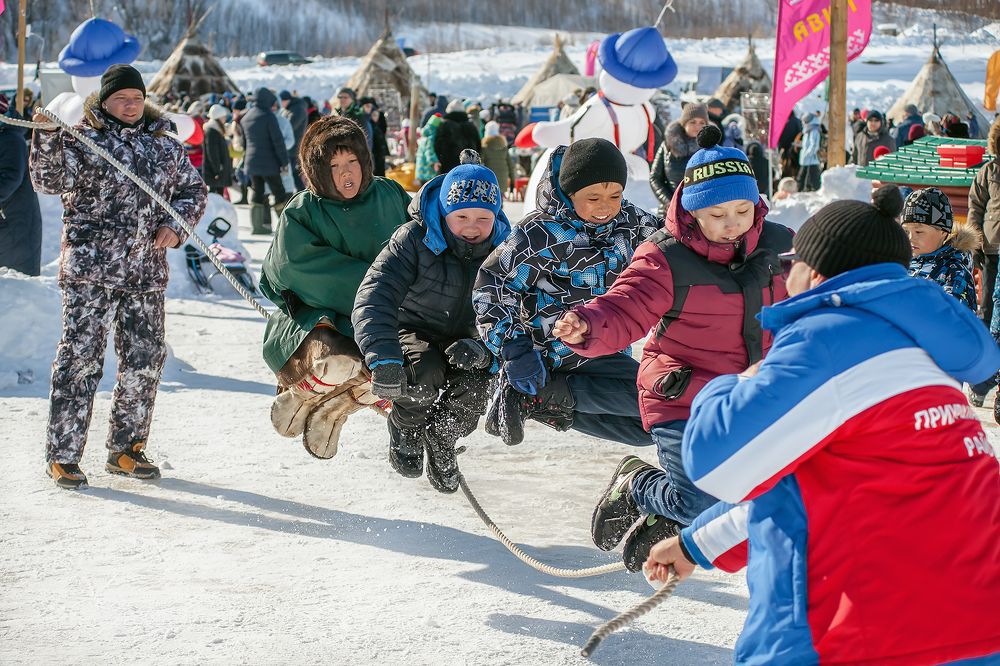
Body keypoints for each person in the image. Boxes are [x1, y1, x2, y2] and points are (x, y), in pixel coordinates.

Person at [643, 188, 1000, 666]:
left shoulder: (828, 339)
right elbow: (823, 488)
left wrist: (730, 384)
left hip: (859, 636)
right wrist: (696, 544)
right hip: (977, 631)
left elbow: (718, 463)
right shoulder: (925, 359)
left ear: (812, 273)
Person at [553, 126, 793, 571]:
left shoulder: (781, 248)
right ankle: (638, 484)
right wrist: (588, 324)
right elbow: (627, 304)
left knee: (759, 501)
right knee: (702, 504)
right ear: (692, 210)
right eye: (718, 213)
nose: (733, 223)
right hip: (681, 396)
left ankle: (667, 514)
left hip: (753, 398)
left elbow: (821, 295)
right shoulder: (667, 256)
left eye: (743, 210)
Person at [29, 64, 207, 489]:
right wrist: (48, 137)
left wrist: (175, 225)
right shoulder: (84, 140)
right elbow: (47, 180)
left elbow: (193, 190)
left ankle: (126, 448)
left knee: (145, 361)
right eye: (121, 99)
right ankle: (64, 454)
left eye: (137, 98)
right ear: (104, 102)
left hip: (145, 272)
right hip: (91, 271)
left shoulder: (164, 147)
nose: (130, 105)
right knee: (80, 359)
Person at [473, 138, 660, 449]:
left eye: (615, 195)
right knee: (652, 404)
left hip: (603, 347)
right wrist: (515, 349)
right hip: (549, 355)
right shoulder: (539, 233)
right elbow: (492, 286)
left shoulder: (632, 224)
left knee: (650, 428)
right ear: (569, 193)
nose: (605, 207)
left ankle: (540, 401)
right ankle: (536, 389)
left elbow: (671, 250)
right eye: (593, 197)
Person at [353, 152, 511, 493]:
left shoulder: (507, 250)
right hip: (413, 329)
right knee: (422, 376)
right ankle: (405, 426)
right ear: (444, 212)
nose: (472, 226)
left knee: (474, 392)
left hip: (471, 340)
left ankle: (442, 439)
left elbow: (521, 315)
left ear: (496, 216)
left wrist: (487, 351)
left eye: (483, 217)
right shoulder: (414, 238)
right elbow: (374, 296)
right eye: (462, 216)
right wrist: (384, 358)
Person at [260, 116, 410, 459]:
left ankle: (337, 410)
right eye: (334, 165)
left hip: (386, 317)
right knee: (340, 360)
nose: (346, 174)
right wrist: (379, 288)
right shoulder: (303, 210)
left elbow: (416, 244)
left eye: (352, 162)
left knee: (399, 367)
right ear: (317, 170)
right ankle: (300, 396)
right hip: (321, 321)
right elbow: (290, 268)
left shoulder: (388, 194)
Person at [967, 116, 1000, 413]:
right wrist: (975, 239)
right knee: (988, 310)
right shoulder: (988, 171)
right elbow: (976, 206)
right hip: (992, 250)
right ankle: (982, 379)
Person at [902, 188, 978, 311]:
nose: (911, 237)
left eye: (919, 231)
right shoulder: (902, 264)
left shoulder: (954, 272)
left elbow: (955, 318)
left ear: (943, 231)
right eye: (906, 231)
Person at [0, 93, 43, 276]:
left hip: (15, 222)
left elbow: (10, 177)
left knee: (17, 285)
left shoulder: (10, 139)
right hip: (8, 222)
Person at [241, 87, 289, 234]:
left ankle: (257, 226)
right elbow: (278, 141)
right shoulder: (268, 116)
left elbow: (244, 143)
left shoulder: (246, 117)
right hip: (269, 163)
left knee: (257, 191)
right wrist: (284, 162)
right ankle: (286, 227)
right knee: (279, 192)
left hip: (252, 162)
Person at [650, 103, 708, 213]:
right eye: (693, 122)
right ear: (684, 123)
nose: (698, 126)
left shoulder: (711, 149)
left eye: (702, 123)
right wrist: (669, 202)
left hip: (702, 213)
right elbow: (655, 177)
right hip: (670, 211)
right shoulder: (668, 145)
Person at [434, 99, 481, 174]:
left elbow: (438, 145)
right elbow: (478, 145)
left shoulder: (445, 125)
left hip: (449, 166)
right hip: (470, 166)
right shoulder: (471, 126)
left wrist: (441, 160)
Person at [278, 90, 308, 190]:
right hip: (290, 146)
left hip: (294, 146)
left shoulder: (297, 109)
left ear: (286, 100)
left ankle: (302, 193)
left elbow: (290, 127)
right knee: (289, 172)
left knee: (292, 172)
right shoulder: (289, 109)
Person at [202, 103, 233, 197]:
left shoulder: (216, 130)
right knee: (215, 197)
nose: (224, 119)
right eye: (223, 117)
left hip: (218, 170)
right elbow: (212, 153)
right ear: (218, 117)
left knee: (218, 195)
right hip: (216, 172)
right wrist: (217, 170)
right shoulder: (212, 131)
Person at [480, 121, 513, 194]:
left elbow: (480, 164)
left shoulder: (484, 147)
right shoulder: (504, 147)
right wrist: (512, 182)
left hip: (490, 179)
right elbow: (511, 165)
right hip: (503, 178)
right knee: (500, 200)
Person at [797, 112, 822, 193]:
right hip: (807, 159)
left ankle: (803, 189)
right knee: (807, 176)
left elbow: (814, 144)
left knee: (811, 177)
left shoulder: (813, 130)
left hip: (811, 159)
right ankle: (802, 189)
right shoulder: (809, 130)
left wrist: (808, 154)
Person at [415, 114, 443, 186]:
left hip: (421, 166)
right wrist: (435, 162)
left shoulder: (425, 133)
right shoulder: (432, 134)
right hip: (428, 168)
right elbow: (429, 150)